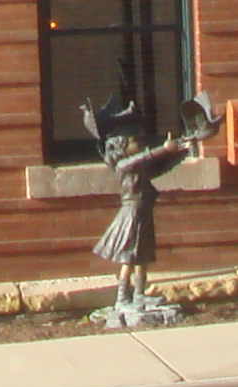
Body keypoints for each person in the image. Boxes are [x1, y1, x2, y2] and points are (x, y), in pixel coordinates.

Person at [82, 94, 214, 324]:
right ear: (122, 146)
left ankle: (139, 295)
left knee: (142, 258)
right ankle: (122, 297)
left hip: (143, 213)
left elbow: (158, 166)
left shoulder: (141, 167)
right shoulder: (124, 166)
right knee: (128, 259)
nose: (141, 143)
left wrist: (179, 149)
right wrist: (162, 149)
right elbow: (143, 159)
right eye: (136, 140)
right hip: (131, 215)